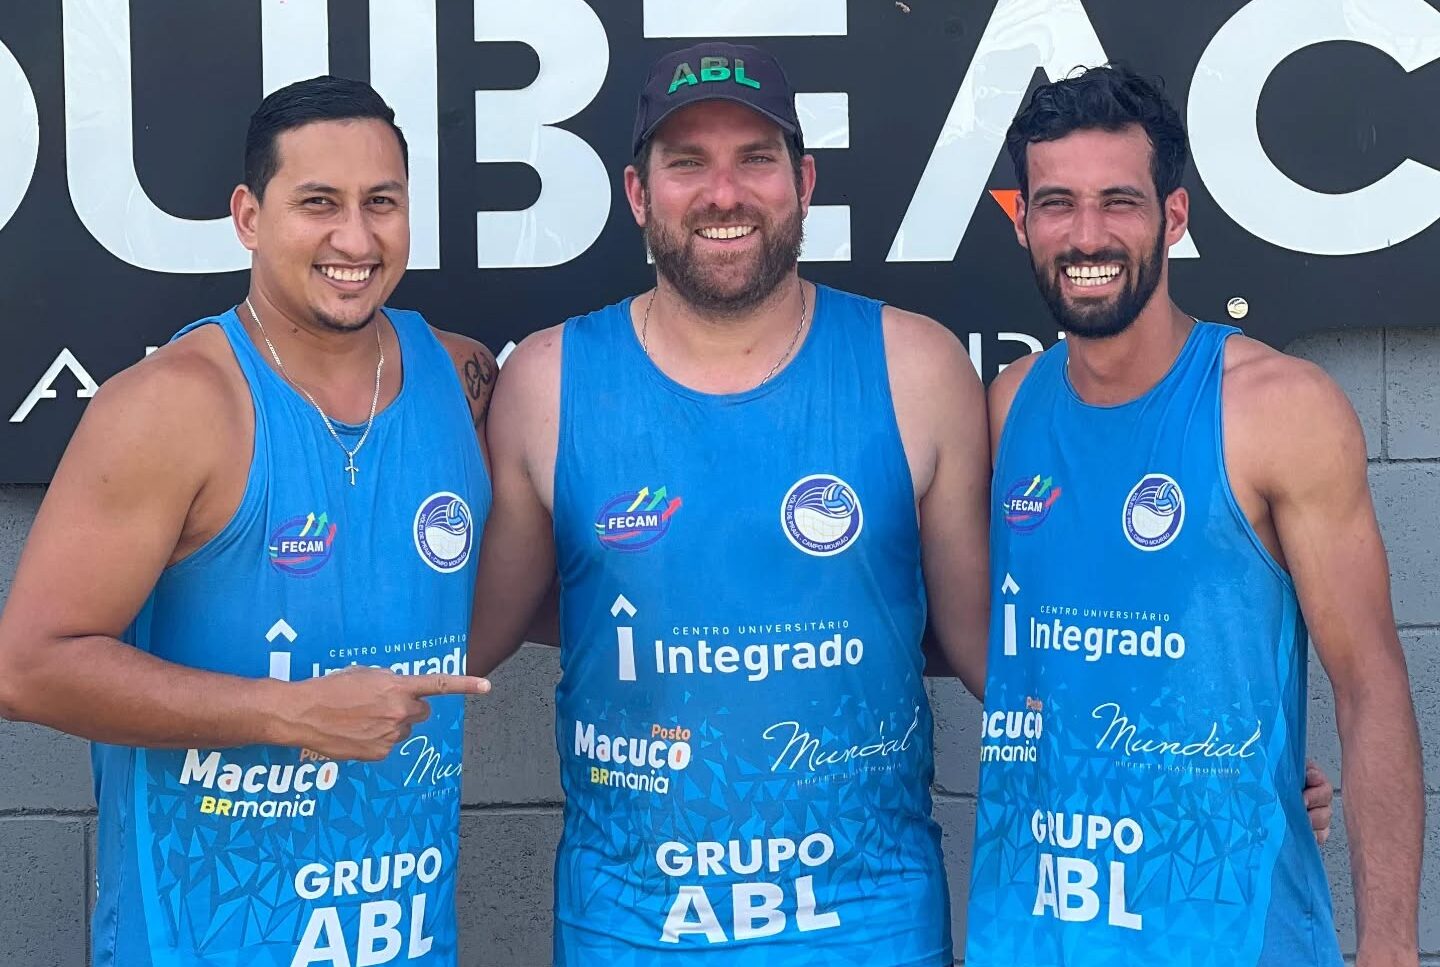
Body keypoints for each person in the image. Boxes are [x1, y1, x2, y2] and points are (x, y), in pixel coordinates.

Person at [469, 41, 990, 965]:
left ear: (804, 181)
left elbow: (988, 649)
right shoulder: (548, 382)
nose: (724, 192)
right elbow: (474, 633)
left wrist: (1229, 756)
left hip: (868, 921)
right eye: (686, 162)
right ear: (637, 194)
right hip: (630, 924)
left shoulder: (918, 368)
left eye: (756, 157)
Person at [0, 76, 493, 965]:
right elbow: (27, 668)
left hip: (408, 939)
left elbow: (499, 606)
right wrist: (286, 713)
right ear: (249, 216)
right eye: (318, 203)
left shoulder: (462, 377)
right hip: (201, 936)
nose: (356, 237)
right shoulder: (173, 406)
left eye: (381, 201)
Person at [965, 65, 1423, 966]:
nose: (1086, 233)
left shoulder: (1277, 407)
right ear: (1023, 219)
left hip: (1234, 933)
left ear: (1172, 217)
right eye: (1056, 202)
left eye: (1119, 201)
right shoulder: (1008, 405)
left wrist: (1392, 947)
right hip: (1030, 929)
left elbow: (1371, 685)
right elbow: (1016, 650)